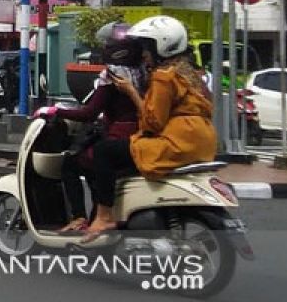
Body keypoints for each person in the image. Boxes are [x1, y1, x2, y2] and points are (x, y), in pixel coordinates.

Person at [83, 15, 216, 240]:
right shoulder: (192, 74)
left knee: (105, 151)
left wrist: (131, 92)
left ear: (162, 46)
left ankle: (103, 216)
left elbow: (153, 122)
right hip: (203, 142)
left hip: (176, 143)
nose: (144, 53)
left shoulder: (164, 76)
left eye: (147, 47)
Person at [35, 23, 147, 232]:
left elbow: (88, 113)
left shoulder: (113, 76)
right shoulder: (144, 73)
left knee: (70, 163)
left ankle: (79, 217)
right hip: (143, 135)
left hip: (119, 137)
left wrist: (54, 112)